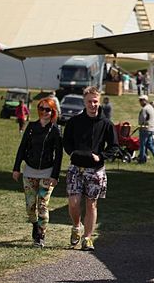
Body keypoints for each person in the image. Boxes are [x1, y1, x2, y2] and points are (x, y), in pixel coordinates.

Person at [63, 86, 119, 252]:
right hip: (76, 168)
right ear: (84, 102)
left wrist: (100, 156)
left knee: (91, 205)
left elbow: (114, 146)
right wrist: (73, 152)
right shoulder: (75, 121)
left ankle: (87, 238)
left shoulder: (106, 123)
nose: (93, 104)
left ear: (99, 101)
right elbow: (66, 141)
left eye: (95, 101)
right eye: (89, 101)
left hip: (95, 170)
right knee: (73, 202)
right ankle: (76, 227)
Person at [12, 97, 64, 247]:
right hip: (29, 171)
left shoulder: (56, 130)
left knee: (43, 206)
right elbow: (22, 148)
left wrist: (55, 175)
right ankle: (35, 224)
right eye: (42, 108)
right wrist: (16, 168)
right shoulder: (32, 127)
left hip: (47, 173)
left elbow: (59, 155)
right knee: (30, 207)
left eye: (48, 109)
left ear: (53, 111)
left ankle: (40, 236)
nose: (44, 112)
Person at [137, 95, 154, 166]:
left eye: (141, 100)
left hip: (145, 129)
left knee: (142, 145)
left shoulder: (144, 109)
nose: (140, 102)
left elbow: (143, 119)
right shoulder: (151, 107)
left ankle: (142, 160)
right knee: (150, 145)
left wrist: (140, 125)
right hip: (151, 129)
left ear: (144, 100)